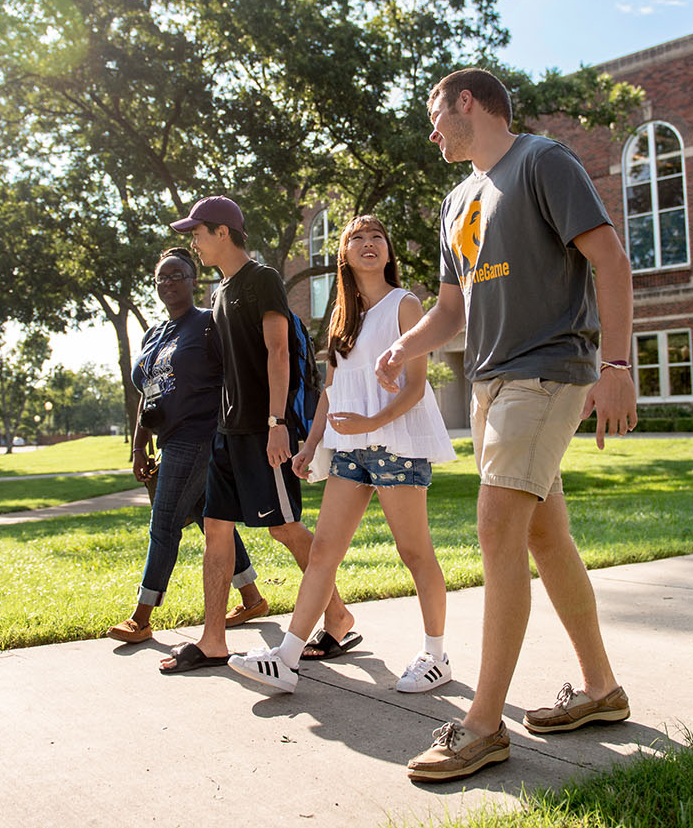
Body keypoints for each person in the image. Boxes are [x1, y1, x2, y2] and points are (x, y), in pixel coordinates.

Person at [376, 68, 638, 783]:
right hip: (490, 383)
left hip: (546, 369)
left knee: (497, 527)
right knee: (546, 536)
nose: (430, 131)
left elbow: (608, 259)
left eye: (435, 113)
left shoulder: (542, 161)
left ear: (468, 102)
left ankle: (483, 725)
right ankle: (599, 688)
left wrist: (615, 363)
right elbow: (452, 309)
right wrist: (407, 344)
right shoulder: (456, 200)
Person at [227, 215, 457, 694]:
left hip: (395, 444)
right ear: (344, 255)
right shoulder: (340, 317)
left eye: (378, 236)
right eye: (357, 238)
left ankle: (436, 656)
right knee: (324, 553)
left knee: (413, 552)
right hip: (349, 448)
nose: (369, 243)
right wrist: (311, 445)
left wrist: (372, 423)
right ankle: (286, 659)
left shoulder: (406, 305)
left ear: (388, 253)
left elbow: (416, 387)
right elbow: (330, 391)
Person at [159, 196, 354, 673]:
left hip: (261, 431)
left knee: (283, 527)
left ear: (223, 232)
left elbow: (278, 353)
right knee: (216, 529)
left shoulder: (262, 280)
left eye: (198, 234)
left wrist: (276, 424)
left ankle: (338, 615)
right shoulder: (220, 291)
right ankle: (213, 641)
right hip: (226, 432)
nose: (194, 243)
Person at [106, 247, 268, 645]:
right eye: (161, 277)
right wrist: (139, 446)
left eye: (176, 275)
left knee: (163, 524)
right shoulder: (154, 334)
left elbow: (240, 373)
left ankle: (141, 616)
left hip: (200, 437)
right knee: (202, 513)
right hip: (168, 438)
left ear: (194, 280)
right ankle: (251, 597)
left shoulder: (209, 324)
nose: (168, 283)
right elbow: (148, 394)